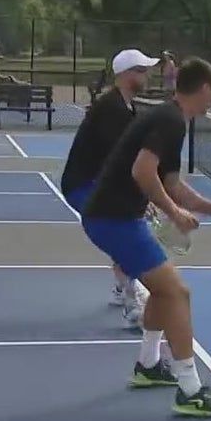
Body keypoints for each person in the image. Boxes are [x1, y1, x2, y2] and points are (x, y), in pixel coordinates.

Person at [81, 57, 211, 416]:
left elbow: (172, 184)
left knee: (162, 290)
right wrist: (173, 213)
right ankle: (190, 390)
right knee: (176, 293)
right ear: (204, 88)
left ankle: (149, 365)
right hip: (113, 219)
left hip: (116, 217)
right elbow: (142, 171)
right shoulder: (170, 121)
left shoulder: (171, 119)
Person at [60, 48, 161, 327]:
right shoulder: (112, 110)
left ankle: (121, 287)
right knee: (122, 231)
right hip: (84, 185)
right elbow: (119, 162)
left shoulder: (125, 107)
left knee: (122, 231)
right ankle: (132, 303)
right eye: (143, 71)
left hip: (95, 184)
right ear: (127, 74)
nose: (149, 76)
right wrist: (141, 196)